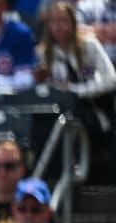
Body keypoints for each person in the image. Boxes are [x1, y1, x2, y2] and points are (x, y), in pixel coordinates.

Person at [34, 1, 116, 138]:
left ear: (73, 23)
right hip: (57, 111)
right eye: (53, 22)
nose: (58, 27)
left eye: (63, 21)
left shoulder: (88, 44)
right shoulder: (42, 53)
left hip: (90, 106)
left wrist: (76, 91)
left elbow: (111, 80)